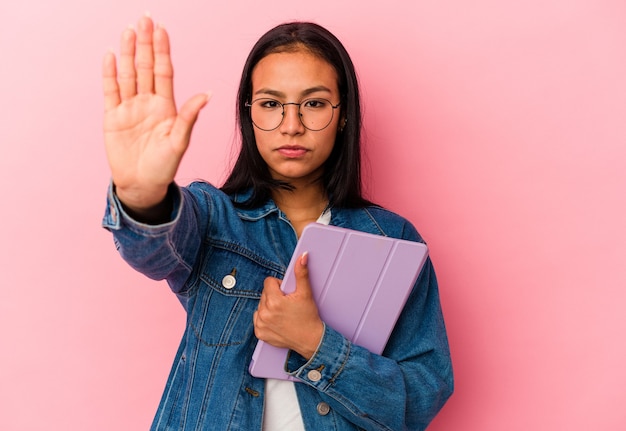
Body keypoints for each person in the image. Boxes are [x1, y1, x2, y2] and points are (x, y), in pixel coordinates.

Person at [101, 14, 453, 431]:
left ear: (343, 115)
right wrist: (142, 196)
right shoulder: (214, 217)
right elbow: (155, 251)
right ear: (249, 115)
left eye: (315, 104)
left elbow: (419, 398)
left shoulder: (391, 239)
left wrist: (315, 342)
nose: (292, 125)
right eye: (270, 104)